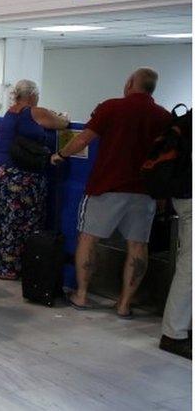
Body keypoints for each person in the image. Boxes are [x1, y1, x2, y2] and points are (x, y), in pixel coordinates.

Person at [52, 68, 171, 317]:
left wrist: (60, 154)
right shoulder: (163, 116)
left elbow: (83, 140)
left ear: (129, 83)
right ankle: (124, 304)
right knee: (138, 246)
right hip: (145, 192)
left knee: (88, 239)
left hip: (106, 187)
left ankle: (82, 295)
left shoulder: (111, 107)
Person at [0, 80, 69, 280]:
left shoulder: (10, 111)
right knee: (19, 220)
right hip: (19, 173)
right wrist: (62, 116)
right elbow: (62, 123)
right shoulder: (34, 111)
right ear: (32, 95)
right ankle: (10, 267)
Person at [160, 107, 192, 359]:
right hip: (190, 197)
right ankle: (174, 333)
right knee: (190, 265)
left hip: (183, 195)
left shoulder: (186, 120)